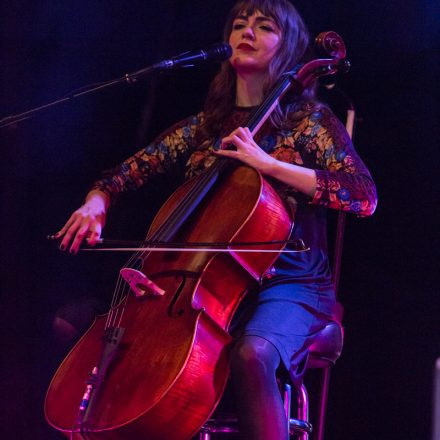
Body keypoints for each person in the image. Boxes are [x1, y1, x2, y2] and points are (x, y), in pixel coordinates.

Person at [55, 0, 377, 438]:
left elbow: (362, 195)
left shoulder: (309, 122)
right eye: (239, 24)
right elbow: (124, 173)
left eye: (264, 27)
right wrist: (97, 200)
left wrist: (269, 164)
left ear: (288, 46)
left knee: (252, 354)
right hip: (205, 283)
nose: (247, 32)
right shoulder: (205, 127)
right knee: (73, 322)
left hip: (289, 284)